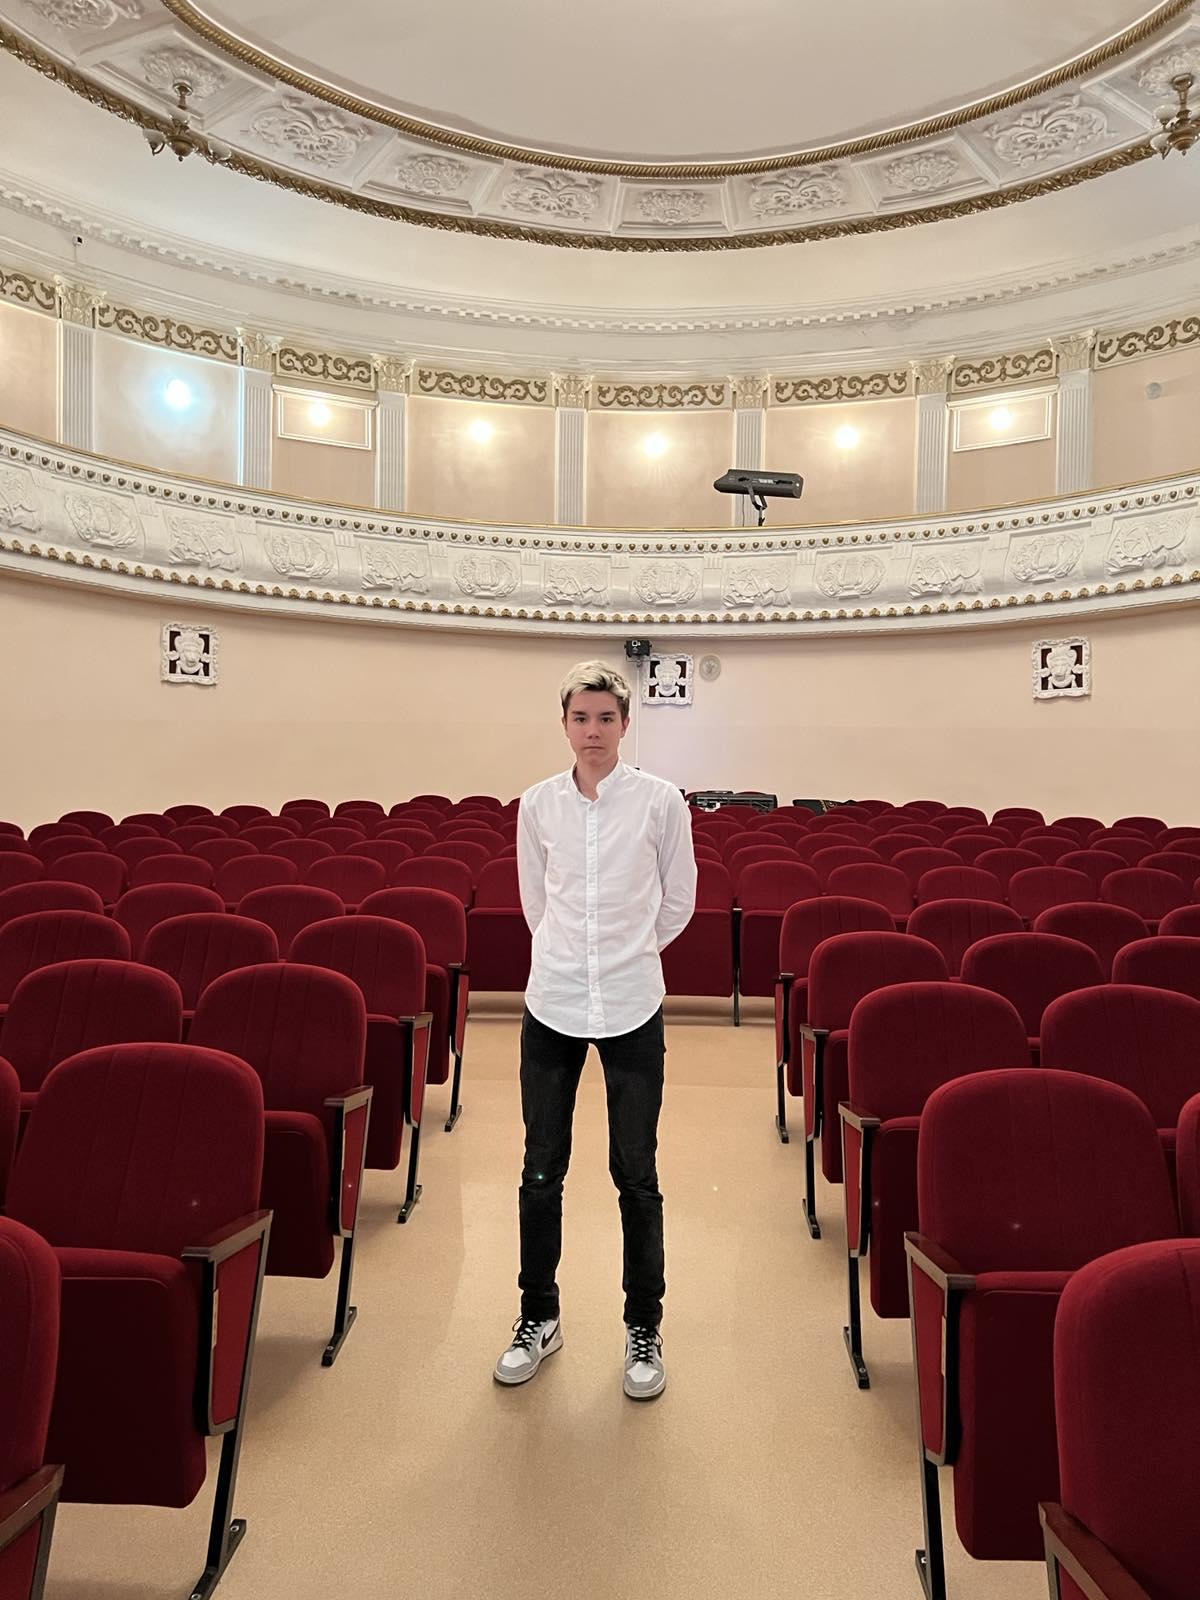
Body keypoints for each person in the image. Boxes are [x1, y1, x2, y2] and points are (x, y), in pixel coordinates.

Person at [493, 660, 697, 1399]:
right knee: (540, 1169)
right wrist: (570, 957)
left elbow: (678, 899)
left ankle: (644, 1327)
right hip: (552, 1002)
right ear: (565, 724)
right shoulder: (538, 804)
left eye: (606, 718)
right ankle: (538, 1317)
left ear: (625, 723)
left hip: (632, 1002)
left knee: (636, 1175)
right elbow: (534, 901)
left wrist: (628, 953)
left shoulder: (660, 801)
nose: (593, 731)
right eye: (580, 718)